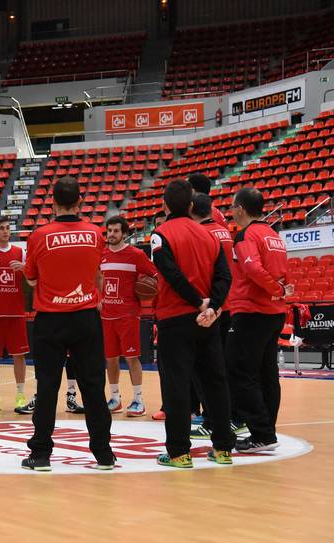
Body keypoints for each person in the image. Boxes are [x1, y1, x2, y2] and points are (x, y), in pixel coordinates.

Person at [22, 175, 115, 472]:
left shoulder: (39, 236)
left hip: (50, 320)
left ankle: (40, 455)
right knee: (93, 386)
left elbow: (32, 278)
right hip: (86, 318)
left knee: (47, 387)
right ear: (80, 201)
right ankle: (103, 454)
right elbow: (96, 271)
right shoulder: (95, 234)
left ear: (52, 202)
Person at [150, 179, 235, 468]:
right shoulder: (210, 236)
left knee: (176, 386)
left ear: (164, 205)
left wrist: (198, 302)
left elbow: (171, 275)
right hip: (207, 321)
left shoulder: (159, 235)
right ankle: (223, 448)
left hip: (175, 319)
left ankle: (179, 453)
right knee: (215, 382)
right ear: (190, 205)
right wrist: (213, 306)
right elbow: (225, 276)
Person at [227, 187, 290, 453]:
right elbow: (284, 272)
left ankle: (261, 433)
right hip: (274, 312)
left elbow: (252, 268)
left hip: (252, 310)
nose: (231, 211)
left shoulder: (246, 235)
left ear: (241, 208)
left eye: (232, 206)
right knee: (267, 374)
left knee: (238, 371)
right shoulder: (274, 235)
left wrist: (274, 289)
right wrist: (280, 292)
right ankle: (267, 432)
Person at [189, 193, 247, 438]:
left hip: (212, 307)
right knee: (224, 366)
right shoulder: (224, 231)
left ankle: (213, 420)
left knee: (204, 368)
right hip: (229, 302)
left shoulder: (202, 234)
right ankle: (235, 417)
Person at [100, 215, 157, 417]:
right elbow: (99, 278)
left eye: (116, 231)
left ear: (125, 234)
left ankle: (138, 400)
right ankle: (115, 398)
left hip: (128, 315)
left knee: (132, 358)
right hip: (107, 316)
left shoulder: (136, 254)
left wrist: (144, 288)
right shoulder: (102, 254)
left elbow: (154, 276)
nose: (112, 234)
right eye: (109, 231)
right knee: (111, 360)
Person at [0, 217, 30, 413]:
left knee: (19, 355)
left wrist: (25, 269)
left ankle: (20, 395)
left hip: (15, 312)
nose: (5, 231)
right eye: (1, 228)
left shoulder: (20, 252)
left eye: (8, 228)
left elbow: (33, 278)